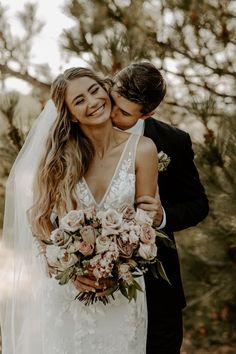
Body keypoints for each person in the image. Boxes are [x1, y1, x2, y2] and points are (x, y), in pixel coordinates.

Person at [0, 67, 160, 354]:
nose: (93, 101)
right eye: (79, 100)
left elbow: (143, 225)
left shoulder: (143, 149)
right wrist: (68, 269)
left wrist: (120, 267)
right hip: (69, 293)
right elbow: (38, 220)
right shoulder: (57, 158)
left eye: (95, 90)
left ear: (107, 89)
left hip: (122, 292)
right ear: (71, 114)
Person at [109, 62, 209, 354]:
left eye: (124, 113)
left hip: (156, 286)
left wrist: (162, 215)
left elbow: (198, 204)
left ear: (148, 113)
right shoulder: (87, 129)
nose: (112, 115)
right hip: (96, 281)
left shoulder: (173, 142)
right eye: (113, 103)